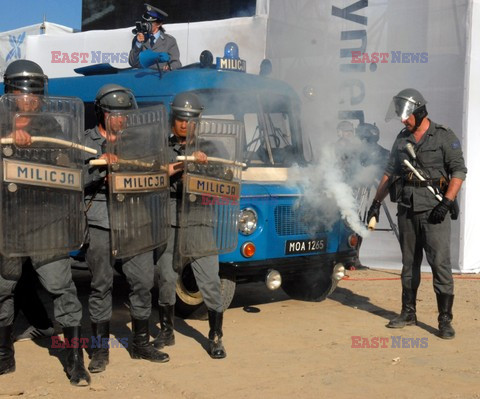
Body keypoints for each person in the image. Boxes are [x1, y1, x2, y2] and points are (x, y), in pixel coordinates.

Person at [0, 59, 90, 385]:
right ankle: (4, 353)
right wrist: (9, 138)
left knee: (61, 287)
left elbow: (65, 167)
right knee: (2, 289)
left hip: (44, 222)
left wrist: (49, 153)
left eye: (35, 94)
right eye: (23, 93)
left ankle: (75, 357)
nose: (29, 100)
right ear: (9, 92)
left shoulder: (49, 125)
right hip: (6, 222)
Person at [367, 88, 467, 339]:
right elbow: (390, 173)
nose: (404, 121)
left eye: (408, 116)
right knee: (408, 264)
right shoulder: (402, 139)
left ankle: (445, 319)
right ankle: (408, 312)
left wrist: (446, 202)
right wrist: (376, 203)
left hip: (435, 211)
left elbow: (458, 171)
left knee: (440, 265)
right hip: (408, 210)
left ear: (420, 112)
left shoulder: (444, 136)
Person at [84, 84, 169, 373]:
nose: (121, 120)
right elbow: (72, 177)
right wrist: (98, 169)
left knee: (144, 281)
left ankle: (140, 342)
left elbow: (159, 168)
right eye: (114, 114)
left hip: (136, 219)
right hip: (101, 221)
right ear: (101, 113)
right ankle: (98, 349)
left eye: (124, 115)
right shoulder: (85, 141)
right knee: (100, 284)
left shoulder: (141, 141)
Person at [154, 92, 227, 359]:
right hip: (169, 218)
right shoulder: (161, 146)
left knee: (209, 279)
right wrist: (177, 167)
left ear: (198, 120)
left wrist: (203, 167)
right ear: (173, 118)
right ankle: (166, 330)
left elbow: (226, 180)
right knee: (165, 277)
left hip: (199, 217)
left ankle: (216, 336)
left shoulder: (211, 147)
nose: (185, 124)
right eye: (180, 118)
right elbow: (149, 175)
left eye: (190, 119)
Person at [128, 3, 181, 71]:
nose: (146, 24)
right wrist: (138, 44)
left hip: (161, 77)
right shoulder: (138, 39)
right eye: (145, 22)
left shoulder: (169, 41)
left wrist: (169, 67)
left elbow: (176, 63)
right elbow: (133, 63)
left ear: (159, 24)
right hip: (143, 78)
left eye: (150, 23)